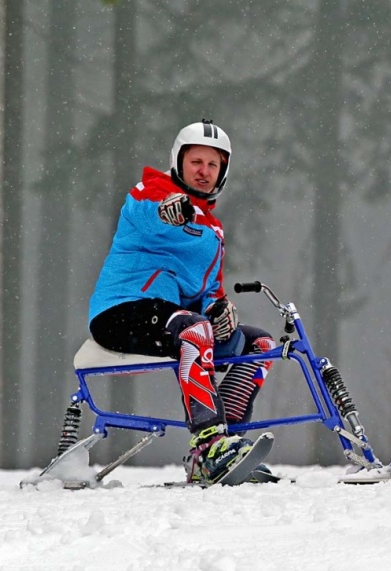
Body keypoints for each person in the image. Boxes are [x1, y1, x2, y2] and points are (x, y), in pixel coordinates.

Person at [88, 119, 276, 485]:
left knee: (259, 344)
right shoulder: (150, 191)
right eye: (196, 162)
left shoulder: (212, 231)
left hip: (173, 316)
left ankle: (231, 445)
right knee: (193, 328)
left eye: (213, 165)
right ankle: (208, 446)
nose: (204, 172)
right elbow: (148, 213)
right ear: (179, 161)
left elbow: (208, 292)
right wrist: (167, 209)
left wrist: (219, 310)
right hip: (122, 309)